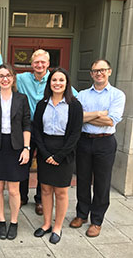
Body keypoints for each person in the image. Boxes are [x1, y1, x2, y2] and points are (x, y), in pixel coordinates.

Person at [0, 36, 78, 215]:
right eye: (36, 62)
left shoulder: (55, 80)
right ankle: (23, 196)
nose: (39, 65)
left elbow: (74, 97)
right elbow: (4, 74)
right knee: (22, 162)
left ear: (48, 64)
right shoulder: (23, 78)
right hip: (25, 128)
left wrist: (96, 114)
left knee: (44, 164)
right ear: (31, 64)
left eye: (43, 62)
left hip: (46, 130)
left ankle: (40, 199)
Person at [69, 59, 126, 237]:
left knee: (102, 182)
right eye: (95, 71)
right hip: (84, 140)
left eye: (102, 70)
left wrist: (88, 116)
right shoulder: (83, 95)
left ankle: (97, 220)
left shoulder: (117, 95)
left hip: (105, 142)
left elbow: (111, 120)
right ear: (91, 74)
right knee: (83, 179)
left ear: (109, 71)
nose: (99, 73)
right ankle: (81, 214)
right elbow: (76, 117)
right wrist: (100, 114)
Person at [0, 63, 31, 240]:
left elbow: (26, 125)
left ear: (13, 78)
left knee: (14, 189)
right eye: (1, 75)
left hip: (16, 146)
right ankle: (2, 220)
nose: (5, 79)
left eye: (8, 75)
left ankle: (14, 222)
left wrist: (26, 148)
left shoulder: (22, 99)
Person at [33, 67, 83, 244]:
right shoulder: (41, 104)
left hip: (65, 153)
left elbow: (75, 133)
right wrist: (45, 153)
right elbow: (36, 130)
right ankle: (46, 224)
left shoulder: (75, 105)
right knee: (45, 190)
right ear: (49, 83)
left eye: (61, 80)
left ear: (67, 83)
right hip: (45, 151)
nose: (57, 83)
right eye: (54, 80)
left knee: (61, 192)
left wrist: (60, 156)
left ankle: (57, 227)